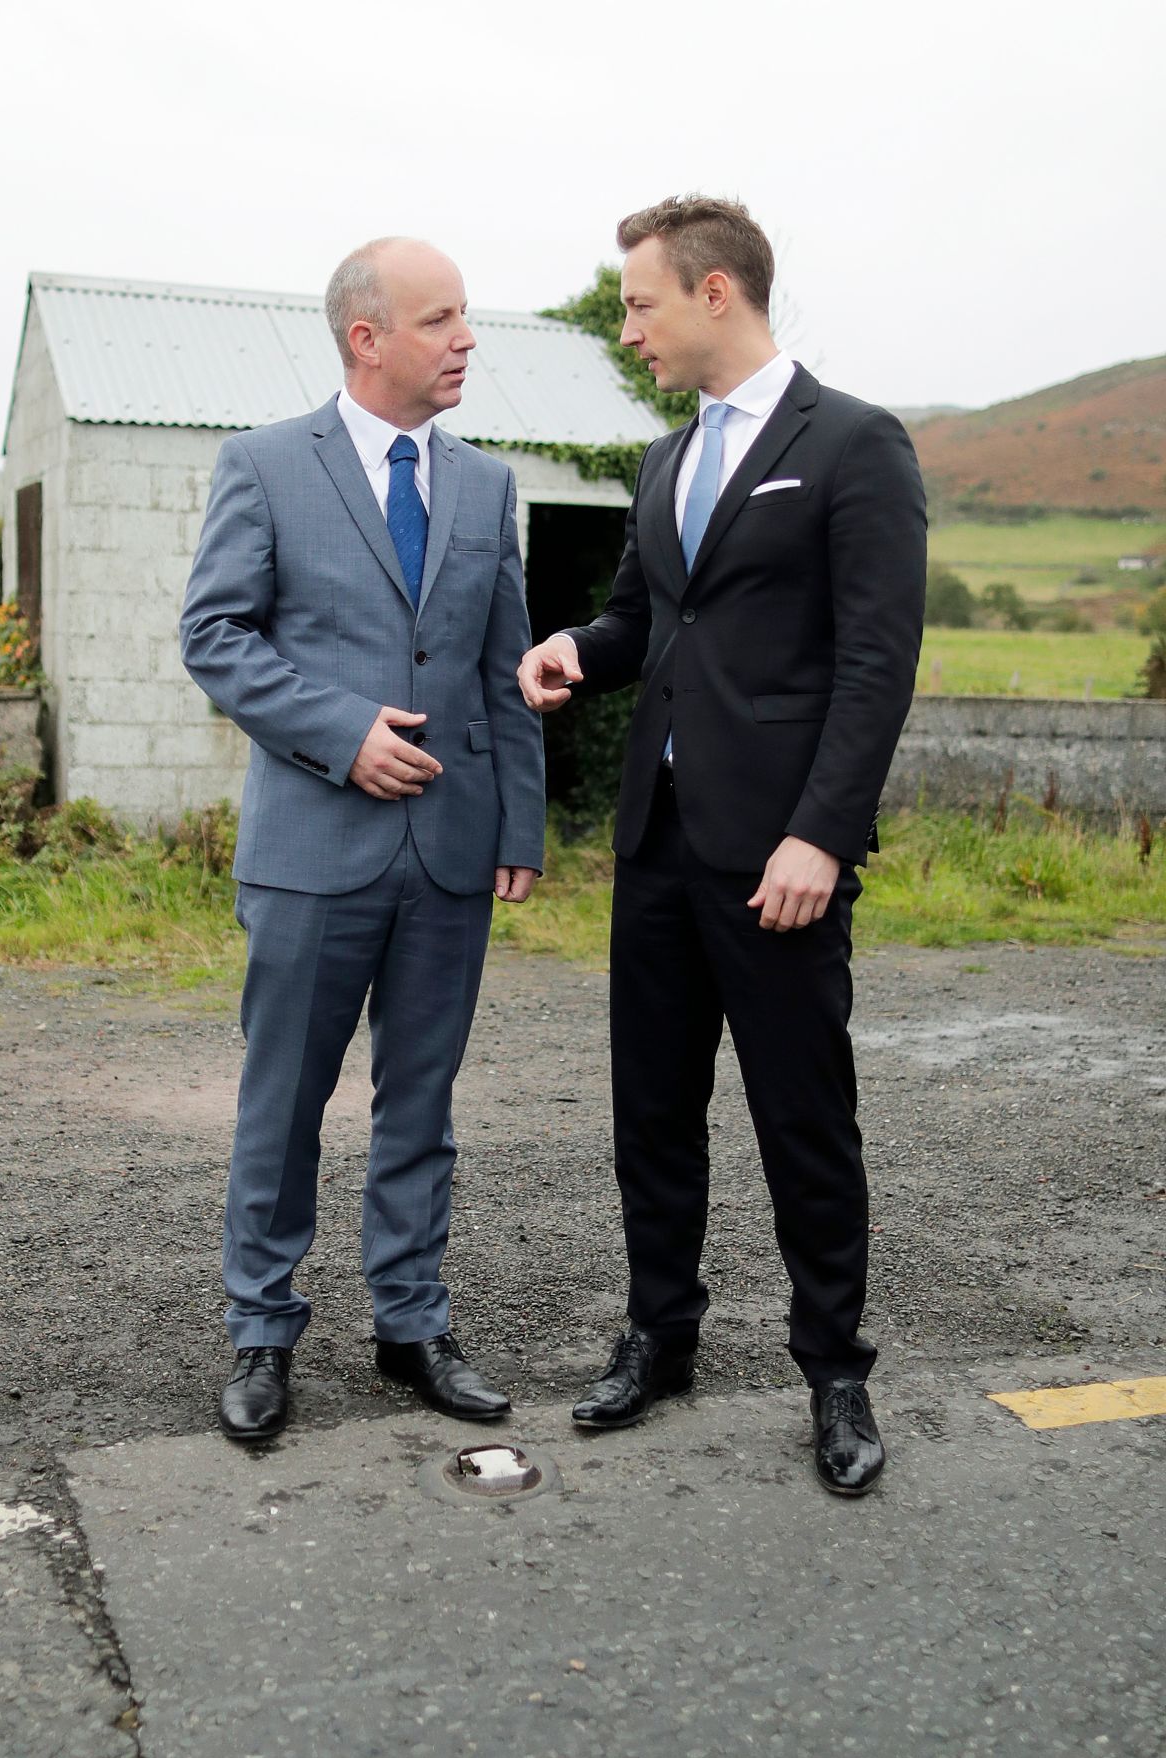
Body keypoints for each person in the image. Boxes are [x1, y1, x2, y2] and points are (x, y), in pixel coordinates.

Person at [518, 196, 925, 1495]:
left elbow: (875, 662)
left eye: (638, 303)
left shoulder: (855, 443)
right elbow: (649, 619)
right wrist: (580, 647)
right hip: (659, 842)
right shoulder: (664, 461)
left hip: (779, 859)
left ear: (712, 295)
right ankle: (661, 1335)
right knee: (654, 1108)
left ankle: (836, 1373)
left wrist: (821, 834)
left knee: (802, 1114)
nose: (626, 327)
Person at [181, 238, 545, 1443]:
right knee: (283, 1101)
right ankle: (261, 1331)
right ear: (366, 336)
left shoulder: (488, 486)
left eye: (466, 318)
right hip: (311, 849)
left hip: (450, 851)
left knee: (422, 1100)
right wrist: (343, 733)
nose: (465, 340)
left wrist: (520, 823)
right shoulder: (267, 465)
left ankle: (410, 1322)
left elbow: (503, 669)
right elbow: (217, 636)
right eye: (441, 319)